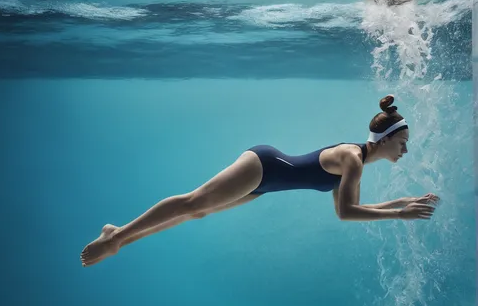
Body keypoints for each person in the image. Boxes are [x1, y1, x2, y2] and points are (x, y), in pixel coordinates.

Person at [80, 95, 440, 267]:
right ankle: (117, 236)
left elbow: (349, 209)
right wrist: (398, 215)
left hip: (265, 185)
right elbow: (347, 214)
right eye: (403, 144)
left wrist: (402, 204)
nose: (404, 151)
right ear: (387, 139)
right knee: (193, 202)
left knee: (198, 213)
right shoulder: (353, 159)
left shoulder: (356, 162)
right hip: (264, 166)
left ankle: (120, 238)